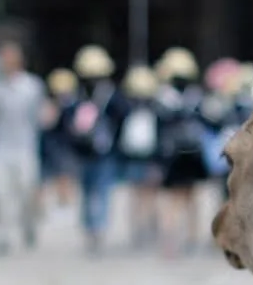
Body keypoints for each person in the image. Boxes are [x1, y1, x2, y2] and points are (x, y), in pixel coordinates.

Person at [0, 39, 49, 255]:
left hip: (25, 148)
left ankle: (28, 226)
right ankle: (2, 236)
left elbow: (41, 117)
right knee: (0, 193)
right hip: (1, 148)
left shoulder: (32, 87)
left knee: (27, 192)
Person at [65, 44, 127, 254]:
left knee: (100, 192)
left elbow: (121, 121)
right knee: (87, 192)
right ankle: (90, 229)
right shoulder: (77, 96)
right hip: (84, 152)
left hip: (104, 153)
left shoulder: (112, 97)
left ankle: (97, 230)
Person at [153, 46, 213, 257]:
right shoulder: (196, 98)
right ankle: (188, 239)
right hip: (191, 156)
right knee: (188, 199)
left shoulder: (162, 99)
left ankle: (174, 243)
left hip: (174, 157)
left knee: (175, 200)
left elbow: (158, 132)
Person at [117, 65, 162, 249]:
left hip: (135, 158)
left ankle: (139, 229)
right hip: (148, 158)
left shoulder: (127, 108)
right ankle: (144, 228)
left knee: (137, 195)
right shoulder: (155, 109)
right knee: (147, 196)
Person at [40, 68, 80, 212]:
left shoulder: (74, 105)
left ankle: (65, 201)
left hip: (64, 146)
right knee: (46, 177)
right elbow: (46, 122)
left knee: (65, 174)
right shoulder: (50, 104)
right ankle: (45, 205)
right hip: (51, 146)